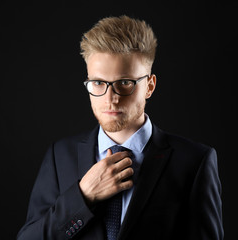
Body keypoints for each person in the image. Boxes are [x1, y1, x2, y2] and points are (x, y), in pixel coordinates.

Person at [17, 15, 223, 240]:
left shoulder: (194, 162)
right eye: (98, 83)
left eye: (125, 83)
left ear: (149, 86)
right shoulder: (60, 156)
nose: (110, 98)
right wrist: (83, 196)